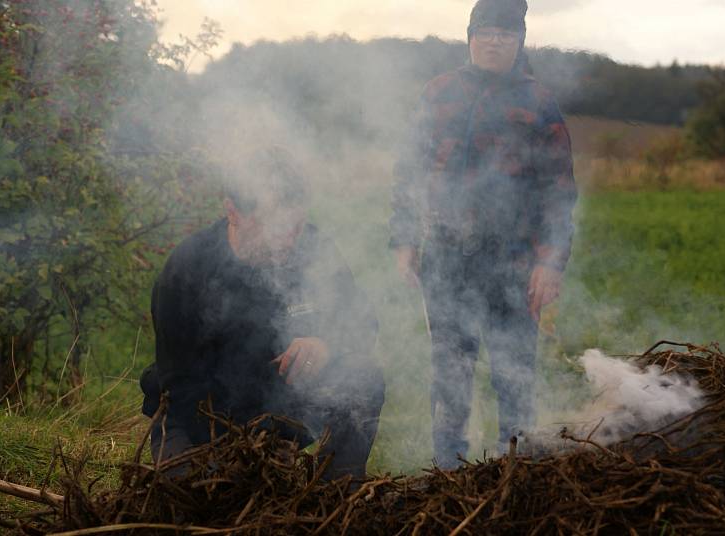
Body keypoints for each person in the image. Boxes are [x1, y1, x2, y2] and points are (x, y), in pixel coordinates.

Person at [389, 0, 577, 468]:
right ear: (470, 36)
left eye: (506, 33)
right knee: (450, 374)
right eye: (487, 31)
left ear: (520, 42)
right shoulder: (439, 93)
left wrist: (550, 262)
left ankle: (517, 476)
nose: (495, 40)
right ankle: (448, 474)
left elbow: (558, 192)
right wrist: (406, 240)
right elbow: (409, 172)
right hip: (447, 260)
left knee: (514, 376)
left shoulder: (538, 102)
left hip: (514, 265)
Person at [140, 146, 385, 480]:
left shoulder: (314, 252)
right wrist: (242, 454)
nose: (286, 239)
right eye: (273, 224)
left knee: (363, 378)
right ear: (233, 212)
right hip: (199, 419)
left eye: (295, 226)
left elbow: (362, 322)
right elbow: (180, 384)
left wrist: (326, 344)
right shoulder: (187, 271)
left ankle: (336, 492)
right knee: (198, 495)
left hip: (282, 411)